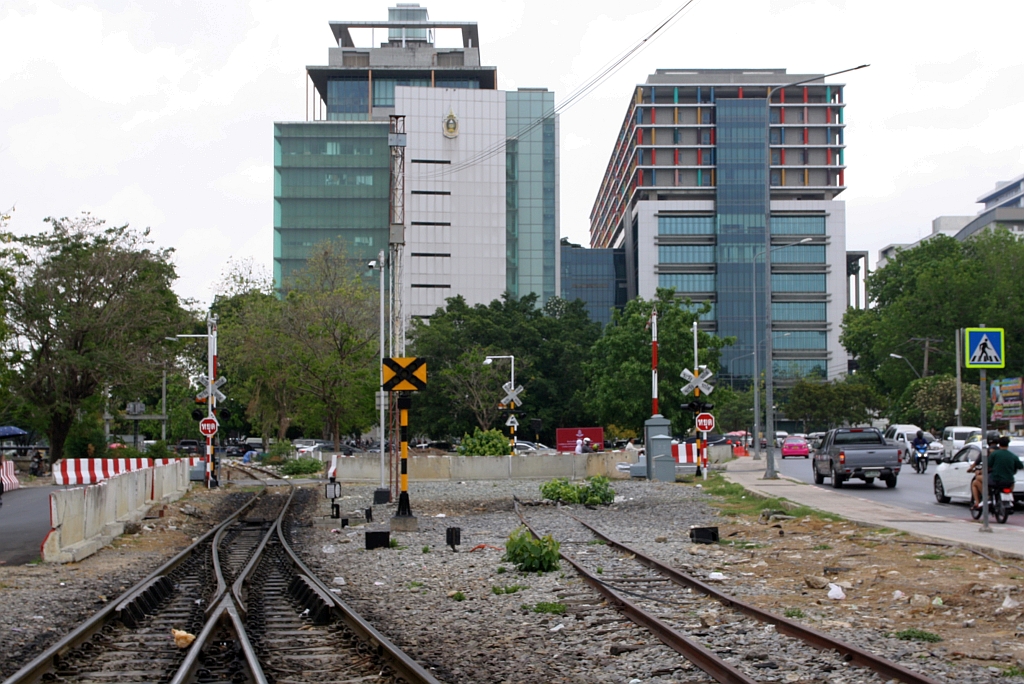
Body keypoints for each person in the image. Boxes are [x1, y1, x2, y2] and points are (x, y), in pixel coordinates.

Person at [968, 435, 1000, 509]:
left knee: (976, 481)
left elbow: (977, 462)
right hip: (1005, 477)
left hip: (992, 476)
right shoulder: (1001, 450)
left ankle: (982, 499)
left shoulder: (986, 451)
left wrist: (971, 469)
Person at [987, 435, 1023, 502]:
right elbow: (1020, 466)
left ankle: (989, 497)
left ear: (999, 444)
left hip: (996, 480)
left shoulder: (994, 454)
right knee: (1011, 484)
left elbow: (988, 465)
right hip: (1009, 480)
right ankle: (1010, 499)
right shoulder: (1013, 456)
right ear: (1008, 444)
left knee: (986, 482)